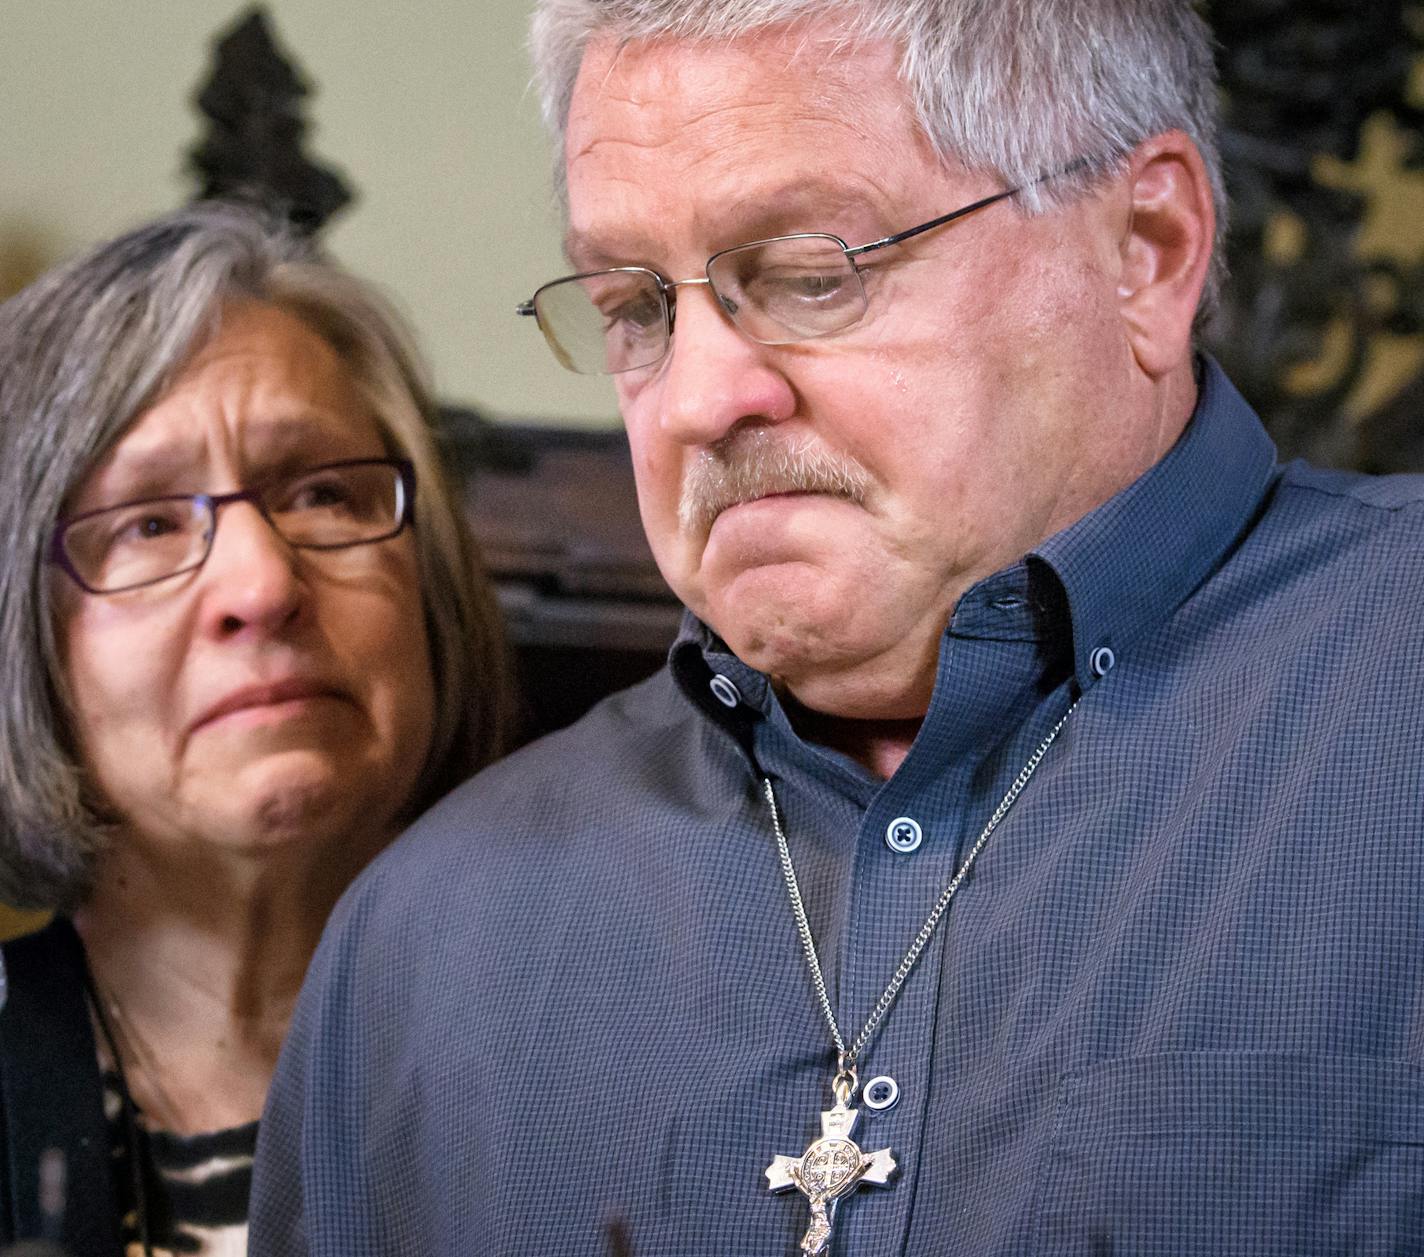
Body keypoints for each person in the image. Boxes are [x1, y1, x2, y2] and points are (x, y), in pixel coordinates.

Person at [251, 2, 1424, 1254]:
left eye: (811, 275)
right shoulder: (425, 940)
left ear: (1144, 246)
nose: (700, 398)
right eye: (636, 307)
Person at [0, 202, 509, 1256]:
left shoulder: (612, 1052)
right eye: (145, 521)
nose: (263, 584)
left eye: (322, 493)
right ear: (29, 642)